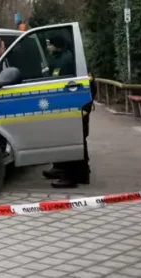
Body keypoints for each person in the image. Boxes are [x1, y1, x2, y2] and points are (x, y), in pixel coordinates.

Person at [42, 35, 91, 188]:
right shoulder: (59, 57)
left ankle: (72, 176)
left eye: (50, 44)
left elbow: (60, 80)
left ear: (57, 44)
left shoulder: (67, 60)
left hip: (72, 105)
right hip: (66, 104)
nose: (48, 47)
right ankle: (66, 169)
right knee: (68, 139)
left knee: (72, 139)